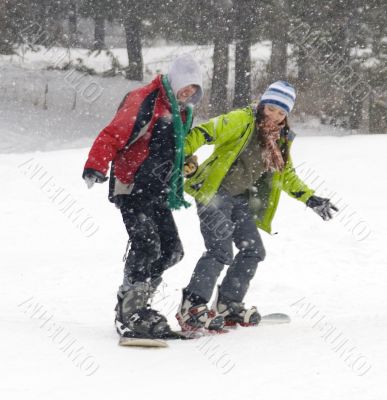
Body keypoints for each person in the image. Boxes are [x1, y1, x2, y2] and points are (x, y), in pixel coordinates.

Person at [177, 81, 338, 331]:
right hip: (213, 193)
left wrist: (310, 198)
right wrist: (181, 155)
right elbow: (205, 132)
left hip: (239, 198)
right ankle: (192, 307)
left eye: (281, 112)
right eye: (271, 108)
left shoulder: (278, 139)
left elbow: (285, 175)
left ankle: (228, 304)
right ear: (263, 104)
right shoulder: (242, 119)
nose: (275, 116)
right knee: (220, 251)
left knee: (253, 250)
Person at [82, 54, 204, 340]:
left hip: (159, 191)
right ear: (174, 81)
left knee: (171, 251)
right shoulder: (144, 99)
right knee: (147, 245)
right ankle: (130, 313)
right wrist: (96, 166)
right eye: (185, 86)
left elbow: (175, 148)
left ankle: (134, 301)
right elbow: (113, 134)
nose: (188, 93)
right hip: (131, 185)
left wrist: (185, 162)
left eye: (194, 90)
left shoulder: (183, 111)